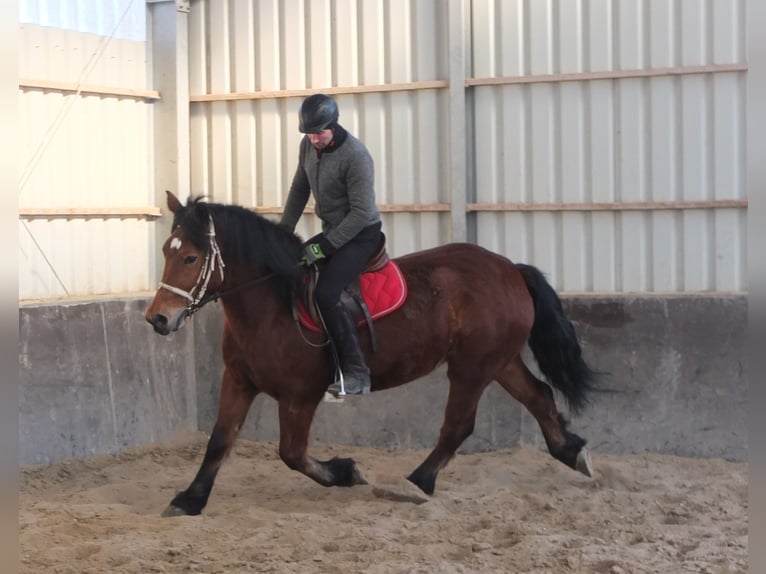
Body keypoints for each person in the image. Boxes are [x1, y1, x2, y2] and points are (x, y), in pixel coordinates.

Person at [280, 93, 382, 396]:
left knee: (326, 293)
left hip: (361, 234)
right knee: (289, 267)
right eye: (309, 133)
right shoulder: (307, 147)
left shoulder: (356, 156)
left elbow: (362, 213)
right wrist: (284, 231)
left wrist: (323, 247)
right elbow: (299, 188)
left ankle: (356, 372)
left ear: (333, 126)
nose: (314, 139)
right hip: (333, 230)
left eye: (319, 132)